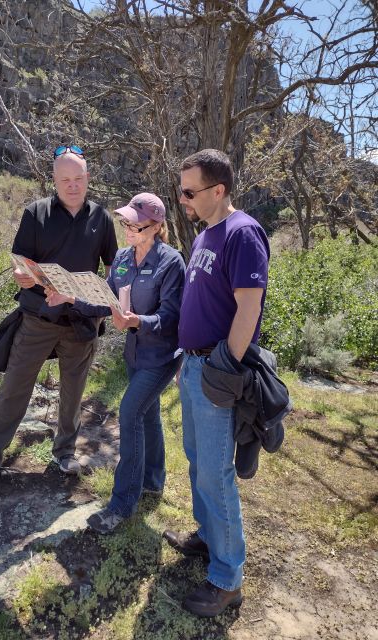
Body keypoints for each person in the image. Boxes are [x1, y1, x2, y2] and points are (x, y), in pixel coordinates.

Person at [0, 145, 118, 490]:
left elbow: (112, 268)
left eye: (78, 179)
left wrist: (105, 300)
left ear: (87, 179)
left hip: (80, 323)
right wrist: (22, 276)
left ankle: (64, 452)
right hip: (38, 319)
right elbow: (21, 262)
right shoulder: (36, 213)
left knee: (73, 393)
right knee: (14, 387)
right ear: (55, 181)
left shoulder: (102, 218)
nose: (72, 185)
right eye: (65, 180)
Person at [163, 149, 270, 617]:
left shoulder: (243, 233)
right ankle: (208, 537)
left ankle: (227, 580)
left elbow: (250, 308)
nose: (182, 199)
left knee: (216, 472)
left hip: (215, 372)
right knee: (196, 460)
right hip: (192, 365)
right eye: (180, 190)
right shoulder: (208, 233)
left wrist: (225, 364)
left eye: (189, 191)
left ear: (218, 190)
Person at [46, 193, 185, 534]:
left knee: (130, 413)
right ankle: (153, 481)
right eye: (125, 222)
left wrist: (137, 321)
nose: (127, 230)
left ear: (156, 227)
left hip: (162, 356)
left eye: (134, 225)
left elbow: (171, 316)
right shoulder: (123, 258)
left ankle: (122, 504)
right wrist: (70, 297)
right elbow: (102, 300)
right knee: (149, 416)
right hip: (135, 356)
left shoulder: (171, 262)